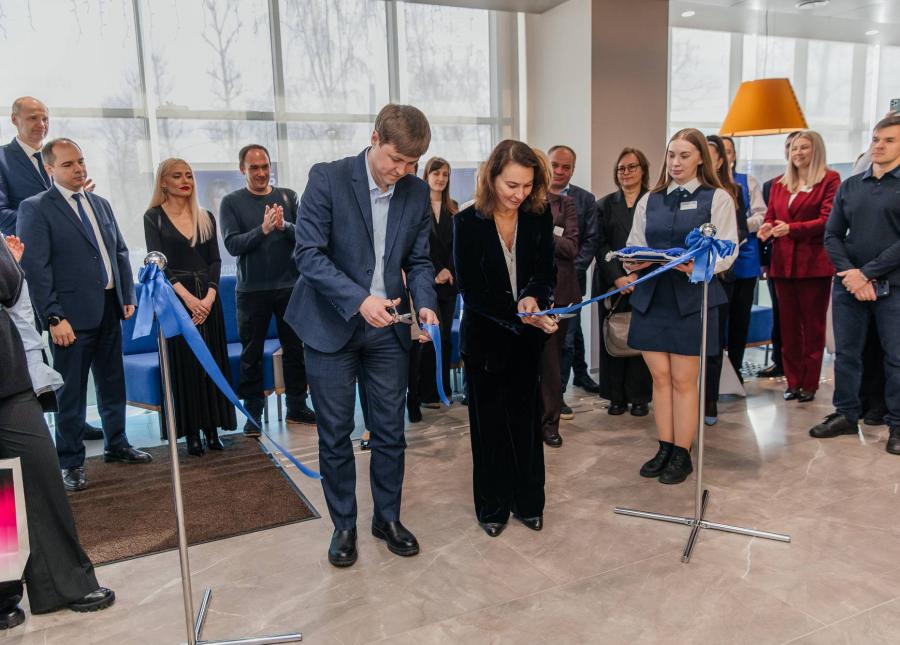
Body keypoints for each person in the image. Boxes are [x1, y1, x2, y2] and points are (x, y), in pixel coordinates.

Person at [286, 104, 439, 568]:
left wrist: (425, 301)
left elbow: (419, 260)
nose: (402, 171)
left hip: (388, 329)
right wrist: (359, 300)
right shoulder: (328, 178)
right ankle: (344, 526)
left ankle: (387, 518)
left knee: (391, 430)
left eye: (411, 163)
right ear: (374, 139)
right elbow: (308, 254)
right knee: (335, 433)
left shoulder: (415, 191)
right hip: (330, 326)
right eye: (396, 159)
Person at [16, 138, 151, 492]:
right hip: (70, 318)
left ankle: (117, 443)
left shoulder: (100, 203)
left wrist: (126, 293)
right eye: (68, 164)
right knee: (72, 393)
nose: (78, 169)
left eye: (80, 161)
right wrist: (53, 317)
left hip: (109, 308)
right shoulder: (36, 208)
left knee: (112, 383)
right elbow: (36, 268)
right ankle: (71, 461)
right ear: (49, 169)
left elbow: (119, 251)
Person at [0, 238, 115, 630]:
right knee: (1, 492)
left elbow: (18, 303)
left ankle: (64, 584)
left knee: (39, 472)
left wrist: (34, 366)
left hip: (9, 375)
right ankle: (3, 592)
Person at [623, 128, 738, 485]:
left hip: (691, 299)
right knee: (660, 377)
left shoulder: (717, 198)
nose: (675, 162)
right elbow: (635, 242)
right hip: (653, 297)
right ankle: (665, 446)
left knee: (684, 380)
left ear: (701, 158)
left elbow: (728, 250)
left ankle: (682, 453)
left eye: (684, 155)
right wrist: (633, 260)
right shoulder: (650, 199)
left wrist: (698, 264)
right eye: (671, 154)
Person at [455, 139, 557, 536]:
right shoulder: (467, 222)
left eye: (527, 185)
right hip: (484, 343)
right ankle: (492, 507)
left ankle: (529, 503)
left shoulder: (538, 214)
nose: (519, 194)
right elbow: (472, 291)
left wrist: (534, 296)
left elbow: (545, 272)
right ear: (491, 177)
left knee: (526, 425)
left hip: (526, 341)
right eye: (511, 185)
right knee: (489, 429)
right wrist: (520, 313)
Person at [0, 97, 102, 439]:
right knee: (38, 352)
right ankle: (41, 429)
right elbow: (2, 213)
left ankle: (76, 422)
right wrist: (50, 210)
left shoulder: (59, 157)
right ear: (15, 120)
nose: (41, 124)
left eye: (45, 117)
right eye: (33, 118)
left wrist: (72, 202)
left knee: (76, 358)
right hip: (25, 269)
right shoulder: (3, 159)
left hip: (71, 269)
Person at [813, 114, 900, 455]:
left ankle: (897, 424)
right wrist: (851, 273)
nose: (879, 145)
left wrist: (867, 273)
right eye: (876, 139)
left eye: (889, 140)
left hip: (893, 286)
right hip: (849, 285)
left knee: (896, 358)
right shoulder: (851, 185)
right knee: (846, 354)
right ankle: (846, 414)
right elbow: (832, 234)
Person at [219, 144, 315, 434]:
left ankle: (297, 406)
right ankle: (253, 414)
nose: (261, 173)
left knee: (295, 350)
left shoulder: (288, 196)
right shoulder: (231, 202)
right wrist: (262, 230)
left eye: (265, 167)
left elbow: (306, 236)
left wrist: (284, 226)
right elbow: (232, 244)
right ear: (242, 170)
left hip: (290, 288)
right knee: (251, 354)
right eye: (254, 168)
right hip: (251, 292)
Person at [144, 158, 237, 456]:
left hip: (208, 300)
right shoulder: (153, 217)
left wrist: (208, 298)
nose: (185, 181)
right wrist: (188, 299)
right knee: (186, 365)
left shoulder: (205, 215)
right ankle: (193, 433)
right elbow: (159, 264)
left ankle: (213, 429)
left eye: (188, 175)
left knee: (212, 362)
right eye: (177, 176)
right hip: (177, 301)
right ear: (163, 182)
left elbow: (215, 261)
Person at [758, 130, 840, 403]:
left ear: (816, 150)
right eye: (794, 148)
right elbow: (771, 216)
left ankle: (809, 383)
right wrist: (767, 227)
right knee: (788, 328)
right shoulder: (779, 184)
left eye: (804, 147)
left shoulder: (830, 180)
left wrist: (791, 229)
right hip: (782, 264)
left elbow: (828, 220)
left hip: (813, 265)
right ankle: (793, 382)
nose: (798, 153)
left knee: (812, 328)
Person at [593, 148, 653, 417]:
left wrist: (637, 276)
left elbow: (657, 243)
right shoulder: (604, 205)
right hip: (611, 281)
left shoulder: (654, 202)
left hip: (645, 279)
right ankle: (615, 396)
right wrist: (618, 276)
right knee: (613, 336)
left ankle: (640, 397)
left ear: (643, 170)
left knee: (641, 338)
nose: (626, 172)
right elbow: (599, 243)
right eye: (621, 168)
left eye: (632, 167)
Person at [548, 145, 599, 409]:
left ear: (573, 170)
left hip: (571, 283)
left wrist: (569, 271)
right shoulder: (533, 194)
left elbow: (590, 241)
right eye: (555, 165)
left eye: (566, 167)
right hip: (538, 286)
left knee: (566, 340)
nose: (559, 171)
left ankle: (558, 397)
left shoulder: (584, 199)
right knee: (548, 341)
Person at [407, 156, 458, 420]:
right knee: (426, 340)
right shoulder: (416, 206)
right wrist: (436, 272)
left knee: (445, 338)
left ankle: (442, 389)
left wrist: (448, 270)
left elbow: (457, 246)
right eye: (436, 173)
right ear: (426, 176)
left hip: (449, 283)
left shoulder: (454, 208)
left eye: (445, 174)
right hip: (425, 282)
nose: (440, 178)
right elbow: (419, 247)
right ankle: (423, 393)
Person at [702, 134, 748, 425]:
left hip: (720, 275)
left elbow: (740, 231)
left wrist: (714, 251)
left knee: (714, 342)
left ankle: (710, 401)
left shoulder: (732, 191)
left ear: (720, 160)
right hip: (688, 276)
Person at [721, 136, 767, 379]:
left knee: (740, 318)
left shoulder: (747, 182)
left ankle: (736, 369)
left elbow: (761, 215)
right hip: (716, 262)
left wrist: (735, 227)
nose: (724, 157)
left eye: (728, 151)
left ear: (733, 156)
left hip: (744, 258)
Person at [758, 131, 801, 379]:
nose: (793, 151)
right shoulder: (772, 184)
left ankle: (802, 372)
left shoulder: (825, 181)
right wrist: (764, 262)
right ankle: (780, 361)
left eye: (799, 146)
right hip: (778, 260)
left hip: (808, 262)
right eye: (789, 146)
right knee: (780, 315)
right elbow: (768, 220)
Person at [540, 177, 579, 447]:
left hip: (559, 294)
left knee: (551, 363)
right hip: (523, 296)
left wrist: (543, 232)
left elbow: (571, 248)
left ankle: (550, 424)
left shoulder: (566, 204)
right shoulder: (517, 204)